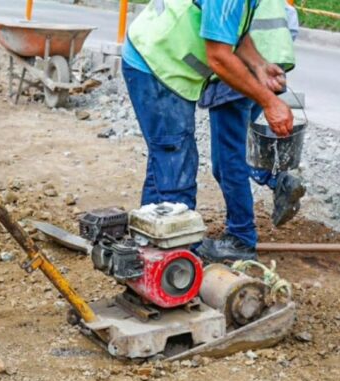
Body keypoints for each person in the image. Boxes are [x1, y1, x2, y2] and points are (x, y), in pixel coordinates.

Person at [121, 0, 294, 261]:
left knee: (167, 157)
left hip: (166, 64)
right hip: (155, 64)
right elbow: (219, 56)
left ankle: (147, 250)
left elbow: (236, 32)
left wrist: (259, 65)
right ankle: (174, 261)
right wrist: (269, 102)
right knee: (175, 165)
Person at [196, 0, 306, 262]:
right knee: (236, 151)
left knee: (227, 161)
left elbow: (220, 48)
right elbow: (289, 26)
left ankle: (241, 238)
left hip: (239, 71)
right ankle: (275, 179)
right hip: (267, 68)